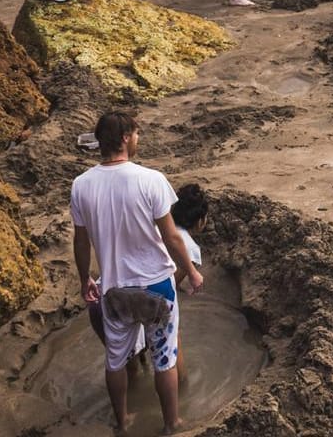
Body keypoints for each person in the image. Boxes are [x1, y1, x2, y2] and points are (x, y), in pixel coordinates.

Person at [70, 111, 202, 437]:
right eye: (137, 134)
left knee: (115, 362)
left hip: (114, 288)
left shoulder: (81, 185)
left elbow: (80, 239)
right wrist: (191, 272)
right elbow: (171, 237)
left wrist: (85, 278)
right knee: (164, 358)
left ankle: (123, 421)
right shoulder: (151, 179)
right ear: (127, 137)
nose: (139, 139)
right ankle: (172, 423)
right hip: (156, 283)